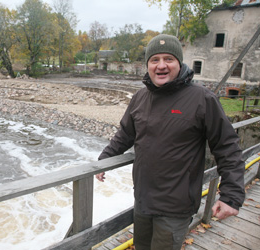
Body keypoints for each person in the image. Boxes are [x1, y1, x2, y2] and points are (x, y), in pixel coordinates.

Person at [96, 34, 245, 250]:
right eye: (155, 60)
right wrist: (105, 158)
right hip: (143, 199)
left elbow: (227, 147)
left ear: (179, 62)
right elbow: (125, 134)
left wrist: (231, 196)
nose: (161, 65)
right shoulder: (140, 98)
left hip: (175, 205)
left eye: (169, 59)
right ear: (147, 65)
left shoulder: (202, 99)